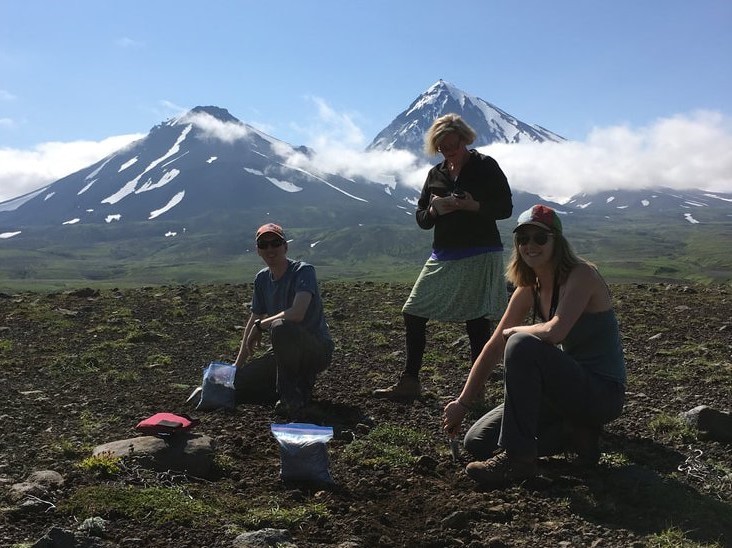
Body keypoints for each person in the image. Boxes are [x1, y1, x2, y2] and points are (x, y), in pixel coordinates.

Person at [442, 204, 626, 487]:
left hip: (601, 393)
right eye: (523, 239)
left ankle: (519, 459)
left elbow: (555, 331)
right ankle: (573, 433)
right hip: (562, 392)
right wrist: (462, 403)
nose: (530, 245)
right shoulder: (530, 287)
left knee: (521, 344)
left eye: (540, 238)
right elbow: (493, 347)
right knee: (477, 441)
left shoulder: (583, 275)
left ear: (557, 241)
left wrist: (515, 333)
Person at [373, 113, 512, 401]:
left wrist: (474, 206)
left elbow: (505, 207)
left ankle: (475, 391)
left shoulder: (485, 166)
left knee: (476, 321)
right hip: (443, 253)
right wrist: (437, 210)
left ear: (465, 139)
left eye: (453, 145)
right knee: (413, 311)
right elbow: (422, 218)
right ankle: (410, 381)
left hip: (480, 251)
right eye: (442, 148)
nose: (449, 152)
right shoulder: (435, 175)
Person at [232, 223, 334, 417]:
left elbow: (297, 313)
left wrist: (262, 325)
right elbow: (253, 320)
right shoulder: (262, 279)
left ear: (285, 246)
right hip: (283, 352)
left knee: (281, 326)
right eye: (264, 245)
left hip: (316, 349)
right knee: (239, 384)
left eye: (275, 243)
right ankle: (284, 391)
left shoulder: (303, 271)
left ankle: (292, 398)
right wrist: (235, 368)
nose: (270, 249)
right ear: (258, 251)